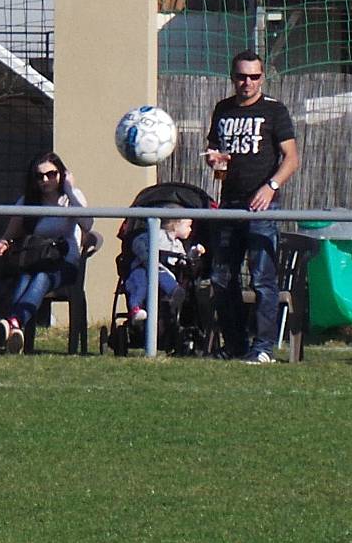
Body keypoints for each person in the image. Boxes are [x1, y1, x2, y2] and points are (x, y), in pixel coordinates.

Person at [205, 49, 300, 363]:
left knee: (262, 278)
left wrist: (270, 188)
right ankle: (234, 345)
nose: (247, 82)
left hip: (262, 209)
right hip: (230, 204)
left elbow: (292, 158)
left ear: (262, 77)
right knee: (221, 277)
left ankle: (263, 348)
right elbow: (216, 156)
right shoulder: (223, 109)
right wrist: (216, 161)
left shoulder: (274, 111)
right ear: (232, 77)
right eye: (242, 76)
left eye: (254, 76)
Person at [0, 152, 93, 353]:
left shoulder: (72, 197)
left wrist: (69, 189)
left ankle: (11, 323)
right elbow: (10, 232)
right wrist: (2, 243)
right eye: (39, 176)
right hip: (36, 258)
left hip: (65, 260)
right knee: (27, 277)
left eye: (51, 174)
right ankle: (15, 326)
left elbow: (87, 224)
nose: (45, 180)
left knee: (42, 277)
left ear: (61, 174)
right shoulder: (28, 201)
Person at [124, 216, 205, 323]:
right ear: (176, 225)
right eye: (188, 226)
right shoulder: (155, 234)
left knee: (167, 277)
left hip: (160, 270)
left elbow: (183, 260)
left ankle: (174, 296)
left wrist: (194, 253)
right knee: (141, 285)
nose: (190, 230)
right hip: (142, 268)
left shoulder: (177, 244)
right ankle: (136, 308)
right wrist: (147, 257)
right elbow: (137, 243)